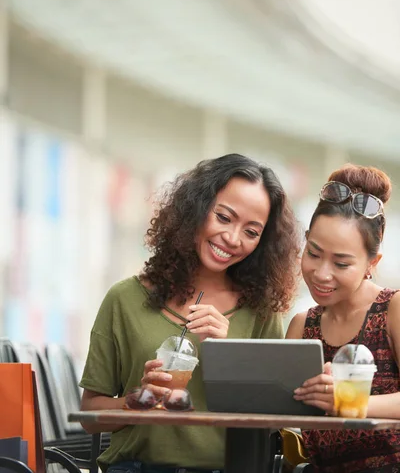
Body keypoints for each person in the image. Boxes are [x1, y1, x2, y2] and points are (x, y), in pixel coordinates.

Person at [79, 153, 301, 473]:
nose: (232, 238)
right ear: (195, 210)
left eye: (251, 232)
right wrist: (136, 402)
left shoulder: (261, 313)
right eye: (224, 217)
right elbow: (89, 416)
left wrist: (230, 356)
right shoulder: (124, 299)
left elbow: (270, 423)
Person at [286, 163, 400, 472]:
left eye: (341, 263)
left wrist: (349, 403)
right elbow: (279, 409)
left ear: (371, 262)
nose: (321, 274)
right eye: (313, 253)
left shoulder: (393, 309)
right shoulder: (302, 325)